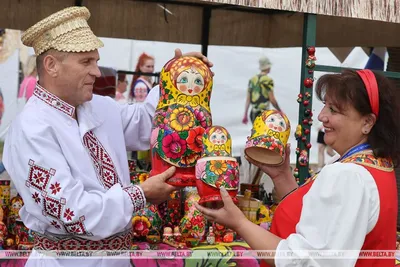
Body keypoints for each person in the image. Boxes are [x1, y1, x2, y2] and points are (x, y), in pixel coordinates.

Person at [3, 6, 212, 267]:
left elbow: (150, 122)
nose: (97, 72)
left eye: (96, 61)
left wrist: (176, 79)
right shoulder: (31, 128)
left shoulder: (99, 107)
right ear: (51, 65)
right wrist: (141, 195)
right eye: (86, 62)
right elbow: (74, 213)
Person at [196, 69, 399, 267]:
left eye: (334, 110)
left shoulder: (348, 175)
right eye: (325, 106)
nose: (321, 116)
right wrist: (282, 175)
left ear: (367, 122)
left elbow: (304, 261)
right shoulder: (377, 166)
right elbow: (317, 222)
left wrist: (240, 223)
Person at [242, 56, 281, 124]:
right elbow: (272, 99)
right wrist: (279, 111)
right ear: (268, 67)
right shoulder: (268, 80)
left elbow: (248, 99)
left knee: (255, 133)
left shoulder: (252, 80)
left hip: (253, 113)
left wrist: (245, 114)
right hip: (264, 113)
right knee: (263, 133)